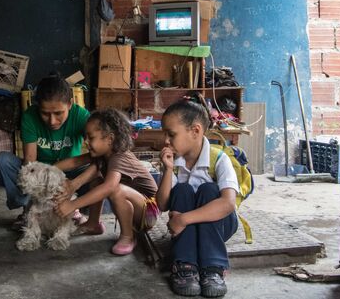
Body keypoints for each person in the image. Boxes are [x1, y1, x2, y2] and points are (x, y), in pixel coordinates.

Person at [156, 94, 239, 298]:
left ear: (195, 131)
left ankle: (213, 268)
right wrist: (167, 170)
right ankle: (185, 266)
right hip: (188, 227)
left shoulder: (219, 159)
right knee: (182, 190)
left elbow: (228, 204)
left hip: (220, 224)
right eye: (164, 134)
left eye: (171, 134)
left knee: (209, 190)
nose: (166, 140)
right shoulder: (174, 163)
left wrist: (184, 218)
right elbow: (163, 204)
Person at [54, 108, 159, 256]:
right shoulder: (103, 154)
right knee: (97, 180)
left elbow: (109, 187)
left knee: (114, 188)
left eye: (91, 137)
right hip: (136, 206)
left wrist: (72, 205)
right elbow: (75, 161)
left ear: (110, 139)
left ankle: (128, 236)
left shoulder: (119, 157)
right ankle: (93, 223)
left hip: (149, 211)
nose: (86, 142)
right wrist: (47, 168)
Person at [0, 73, 91, 230]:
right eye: (45, 113)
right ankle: (29, 209)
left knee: (99, 168)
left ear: (70, 104)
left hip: (70, 173)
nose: (52, 121)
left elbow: (98, 152)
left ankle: (74, 207)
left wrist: (73, 182)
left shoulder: (81, 116)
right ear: (38, 106)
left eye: (58, 113)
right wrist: (43, 185)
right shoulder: (30, 116)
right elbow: (30, 161)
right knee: (3, 161)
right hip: (41, 173)